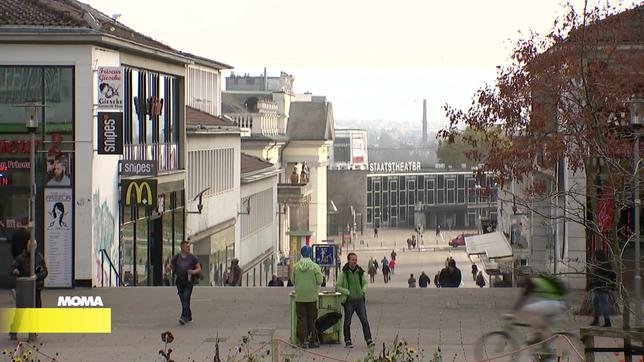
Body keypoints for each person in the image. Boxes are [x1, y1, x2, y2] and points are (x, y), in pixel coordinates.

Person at [9, 228, 48, 341]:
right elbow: (12, 268)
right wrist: (15, 271)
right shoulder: (21, 258)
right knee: (21, 310)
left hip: (35, 287)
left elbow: (45, 271)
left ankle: (32, 332)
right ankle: (14, 330)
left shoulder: (39, 258)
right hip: (24, 287)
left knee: (35, 310)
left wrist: (37, 276)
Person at [511, 274, 568, 343]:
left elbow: (523, 299)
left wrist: (512, 313)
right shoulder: (538, 281)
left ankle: (537, 334)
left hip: (553, 303)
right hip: (560, 304)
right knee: (544, 326)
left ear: (524, 277)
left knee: (527, 309)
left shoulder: (531, 282)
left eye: (519, 277)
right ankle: (545, 350)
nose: (518, 280)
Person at [336, 252, 374, 348]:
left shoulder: (360, 272)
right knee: (348, 321)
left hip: (359, 300)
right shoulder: (343, 273)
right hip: (349, 301)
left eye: (355, 260)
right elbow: (337, 287)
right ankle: (348, 340)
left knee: (364, 320)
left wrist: (363, 290)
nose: (354, 261)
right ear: (348, 260)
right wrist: (347, 292)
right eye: (352, 260)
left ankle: (369, 339)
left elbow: (365, 283)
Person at [293, 245, 323, 348]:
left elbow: (292, 281)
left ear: (301, 253)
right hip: (312, 297)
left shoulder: (296, 266)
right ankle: (313, 340)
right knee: (312, 319)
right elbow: (320, 281)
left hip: (299, 297)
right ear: (310, 253)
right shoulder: (315, 267)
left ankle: (302, 341)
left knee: (302, 319)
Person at [167, 240, 201, 325]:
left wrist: (192, 272)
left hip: (189, 280)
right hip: (179, 280)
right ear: (182, 247)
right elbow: (171, 265)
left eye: (189, 247)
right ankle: (188, 315)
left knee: (186, 297)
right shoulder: (177, 257)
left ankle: (183, 317)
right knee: (183, 298)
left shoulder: (192, 257)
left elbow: (198, 268)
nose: (188, 248)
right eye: (187, 247)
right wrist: (168, 268)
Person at [589, 249, 615, 327]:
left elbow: (596, 277)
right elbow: (612, 275)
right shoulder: (606, 264)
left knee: (603, 304)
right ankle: (596, 320)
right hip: (602, 287)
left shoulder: (601, 266)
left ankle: (607, 321)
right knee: (596, 302)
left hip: (601, 287)